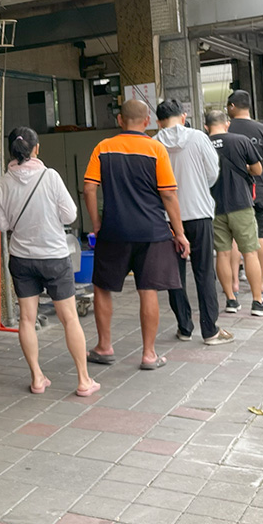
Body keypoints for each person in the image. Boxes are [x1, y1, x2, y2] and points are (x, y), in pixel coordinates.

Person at [82, 99, 189, 370]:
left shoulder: (103, 148)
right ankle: (149, 354)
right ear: (146, 122)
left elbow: (89, 188)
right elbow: (168, 194)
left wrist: (96, 223)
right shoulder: (156, 149)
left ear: (119, 120)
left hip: (114, 230)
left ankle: (104, 347)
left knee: (103, 287)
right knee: (147, 288)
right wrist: (180, 233)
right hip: (152, 232)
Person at [0, 126, 99, 396]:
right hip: (54, 257)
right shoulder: (50, 177)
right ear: (36, 148)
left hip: (21, 259)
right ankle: (84, 380)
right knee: (69, 318)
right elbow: (70, 215)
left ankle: (37, 378)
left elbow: (2, 224)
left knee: (27, 319)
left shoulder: (2, 183)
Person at [154, 100, 232, 345]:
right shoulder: (199, 138)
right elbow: (212, 173)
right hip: (199, 212)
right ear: (184, 117)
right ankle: (210, 330)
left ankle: (184, 327)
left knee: (174, 275)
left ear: (158, 122)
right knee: (204, 271)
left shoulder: (154, 144)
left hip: (168, 218)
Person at [206, 109, 263, 317]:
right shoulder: (241, 140)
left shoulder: (203, 143)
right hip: (241, 204)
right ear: (226, 123)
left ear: (206, 126)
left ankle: (231, 300)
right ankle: (257, 301)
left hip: (214, 206)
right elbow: (258, 170)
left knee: (223, 253)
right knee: (249, 252)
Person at [227, 90, 263, 295]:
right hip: (258, 190)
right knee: (259, 236)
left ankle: (233, 283)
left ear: (232, 106)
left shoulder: (225, 129)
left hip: (231, 192)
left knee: (232, 238)